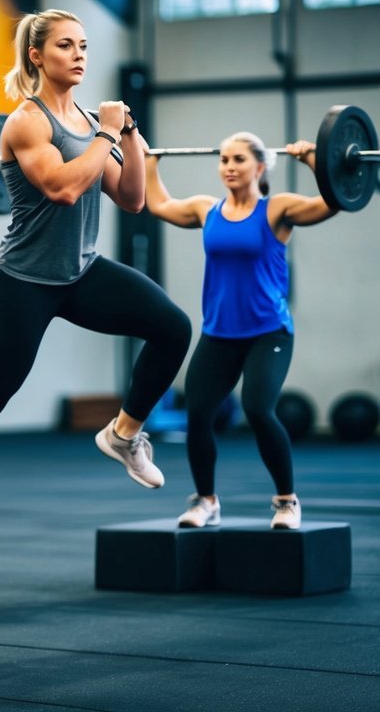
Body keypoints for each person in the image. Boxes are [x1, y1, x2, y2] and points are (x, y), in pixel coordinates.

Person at [0, 9, 193, 554]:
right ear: (37, 55)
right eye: (66, 45)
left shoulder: (94, 123)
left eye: (84, 45)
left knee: (173, 328)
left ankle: (123, 433)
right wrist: (108, 133)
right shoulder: (26, 121)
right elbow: (64, 188)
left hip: (81, 269)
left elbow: (133, 197)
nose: (79, 55)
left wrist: (131, 135)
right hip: (25, 277)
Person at [144, 135, 336, 530]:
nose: (229, 166)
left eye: (239, 159)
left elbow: (332, 202)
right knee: (197, 415)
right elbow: (158, 204)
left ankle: (286, 501)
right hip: (219, 333)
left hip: (269, 331)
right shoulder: (206, 209)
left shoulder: (277, 209)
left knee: (258, 410)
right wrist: (151, 161)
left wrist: (315, 161)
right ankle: (206, 500)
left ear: (260, 167)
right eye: (224, 159)